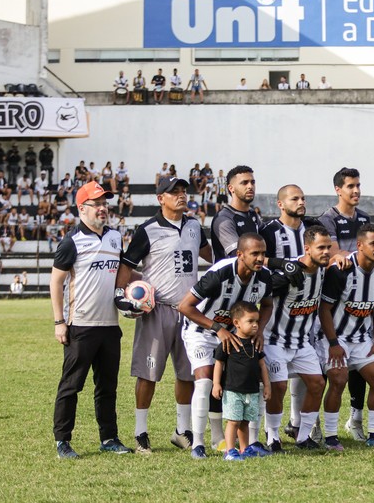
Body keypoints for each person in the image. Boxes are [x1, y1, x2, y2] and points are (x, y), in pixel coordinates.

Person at [116, 176, 212, 455]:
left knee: (187, 374)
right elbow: (127, 266)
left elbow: (209, 255)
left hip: (190, 311)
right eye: (174, 193)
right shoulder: (148, 230)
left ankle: (182, 431)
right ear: (161, 198)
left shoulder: (194, 226)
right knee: (148, 374)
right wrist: (122, 295)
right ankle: (140, 433)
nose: (181, 196)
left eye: (183, 191)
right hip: (156, 309)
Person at [50, 181, 132, 458]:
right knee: (71, 386)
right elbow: (56, 281)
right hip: (80, 326)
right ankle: (62, 441)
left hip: (110, 326)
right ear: (81, 208)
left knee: (108, 387)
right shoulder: (71, 242)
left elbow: (121, 273)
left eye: (104, 203)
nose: (102, 208)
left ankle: (109, 438)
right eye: (96, 204)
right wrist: (59, 322)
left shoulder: (115, 237)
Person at [178, 233, 274, 458]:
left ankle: (249, 443)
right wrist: (217, 329)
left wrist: (258, 329)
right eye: (255, 254)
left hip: (233, 335)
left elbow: (267, 304)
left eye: (263, 253)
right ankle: (198, 444)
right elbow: (185, 306)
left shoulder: (264, 277)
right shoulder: (220, 273)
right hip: (201, 331)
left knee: (250, 382)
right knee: (205, 381)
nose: (261, 258)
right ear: (240, 255)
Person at [318, 224, 374, 450]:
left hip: (361, 339)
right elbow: (324, 310)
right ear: (360, 245)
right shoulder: (340, 271)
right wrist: (333, 344)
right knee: (339, 379)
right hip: (334, 338)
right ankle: (330, 437)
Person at [262, 224, 333, 452]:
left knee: (317, 383)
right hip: (275, 340)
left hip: (302, 342)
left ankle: (303, 436)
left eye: (328, 247)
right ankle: (272, 436)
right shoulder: (289, 273)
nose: (326, 252)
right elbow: (262, 291)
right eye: (321, 247)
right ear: (307, 248)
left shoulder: (323, 269)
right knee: (279, 386)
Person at [316, 167, 372, 438]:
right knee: (328, 366)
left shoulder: (364, 218)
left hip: (360, 297)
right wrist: (355, 256)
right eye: (350, 186)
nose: (356, 190)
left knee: (359, 365)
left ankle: (356, 419)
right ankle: (312, 423)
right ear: (338, 189)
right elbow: (335, 254)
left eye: (358, 185)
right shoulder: (327, 219)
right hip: (333, 295)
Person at [213, 301, 271, 461]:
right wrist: (216, 384)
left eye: (256, 322)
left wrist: (267, 385)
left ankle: (245, 449)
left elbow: (262, 366)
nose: (255, 325)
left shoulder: (255, 343)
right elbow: (219, 363)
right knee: (233, 421)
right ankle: (230, 451)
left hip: (251, 390)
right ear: (237, 323)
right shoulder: (228, 343)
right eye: (250, 321)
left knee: (245, 422)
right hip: (233, 390)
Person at [210, 165, 263, 261]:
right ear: (231, 188)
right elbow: (240, 257)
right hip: (230, 275)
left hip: (253, 275)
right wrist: (276, 262)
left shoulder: (253, 214)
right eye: (244, 183)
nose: (250, 186)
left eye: (252, 182)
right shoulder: (224, 218)